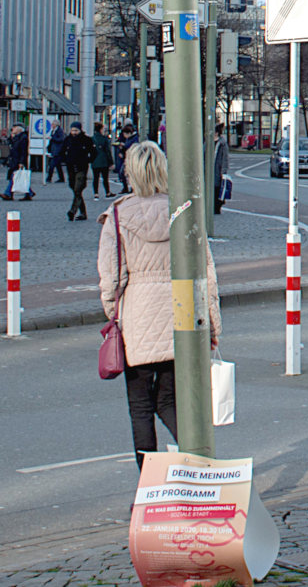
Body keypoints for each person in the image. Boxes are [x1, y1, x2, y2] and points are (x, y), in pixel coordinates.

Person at [99, 141, 221, 465]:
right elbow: (205, 271)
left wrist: (114, 313)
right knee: (169, 401)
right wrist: (212, 323)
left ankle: (147, 489)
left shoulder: (117, 214)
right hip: (178, 314)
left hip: (137, 319)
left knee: (139, 407)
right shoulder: (182, 210)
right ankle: (201, 464)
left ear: (131, 173)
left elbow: (111, 277)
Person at [62, 122, 95, 220]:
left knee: (78, 189)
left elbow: (93, 152)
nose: (74, 132)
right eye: (72, 130)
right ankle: (83, 213)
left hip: (81, 167)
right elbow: (62, 151)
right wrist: (65, 159)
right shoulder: (68, 140)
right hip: (70, 167)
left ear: (80, 130)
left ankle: (73, 211)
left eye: (76, 130)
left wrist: (88, 160)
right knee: (75, 189)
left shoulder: (86, 140)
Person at [0, 124, 32, 200]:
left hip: (18, 160)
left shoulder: (23, 138)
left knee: (15, 177)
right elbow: (11, 147)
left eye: (14, 128)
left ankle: (8, 194)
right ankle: (29, 193)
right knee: (18, 177)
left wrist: (21, 162)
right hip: (14, 160)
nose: (12, 129)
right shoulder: (16, 137)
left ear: (19, 129)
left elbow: (23, 151)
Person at [91, 122, 115, 198]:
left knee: (95, 178)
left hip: (95, 161)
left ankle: (96, 193)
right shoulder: (104, 139)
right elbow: (107, 151)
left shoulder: (92, 138)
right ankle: (107, 192)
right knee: (105, 178)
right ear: (100, 129)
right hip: (104, 161)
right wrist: (111, 162)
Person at [211, 123, 229, 214]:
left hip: (217, 170)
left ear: (217, 133)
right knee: (210, 188)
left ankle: (217, 207)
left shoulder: (222, 144)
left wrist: (223, 171)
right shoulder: (208, 142)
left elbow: (225, 158)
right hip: (209, 170)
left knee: (217, 188)